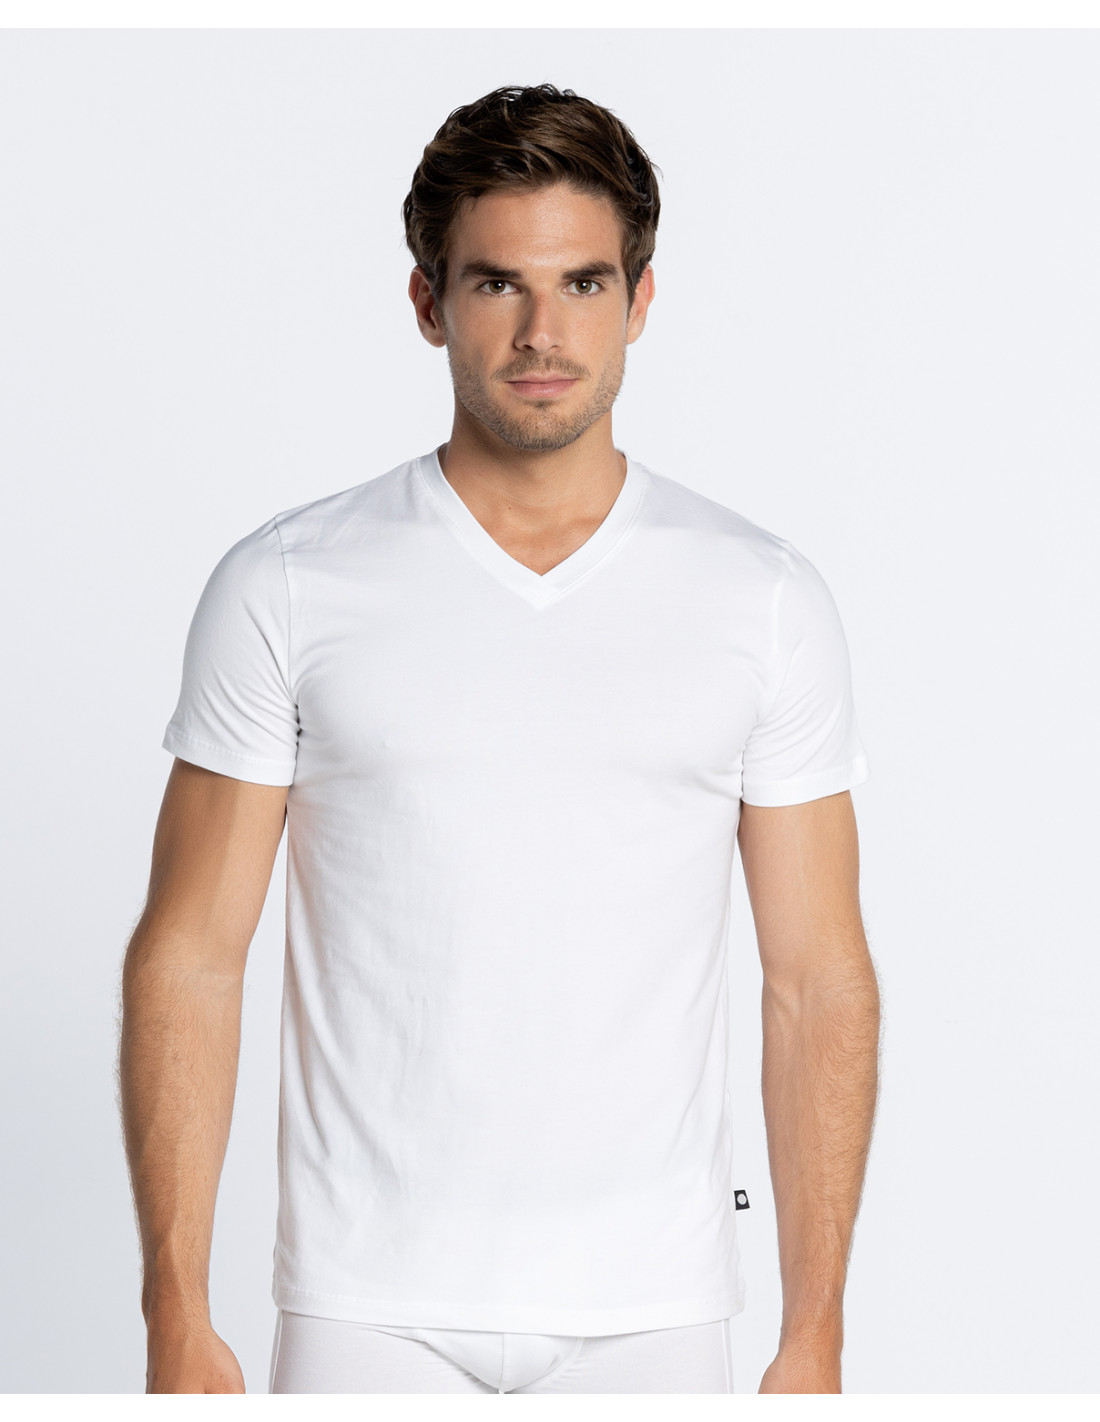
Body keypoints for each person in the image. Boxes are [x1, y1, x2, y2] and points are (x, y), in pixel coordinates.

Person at [118, 83, 880, 1395]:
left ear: (641, 300)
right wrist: (173, 1307)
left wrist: (816, 1329)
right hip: (367, 1307)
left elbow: (817, 979)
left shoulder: (760, 597)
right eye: (496, 285)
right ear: (428, 302)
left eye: (584, 283)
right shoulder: (289, 583)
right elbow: (190, 954)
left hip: (655, 1308)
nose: (542, 331)